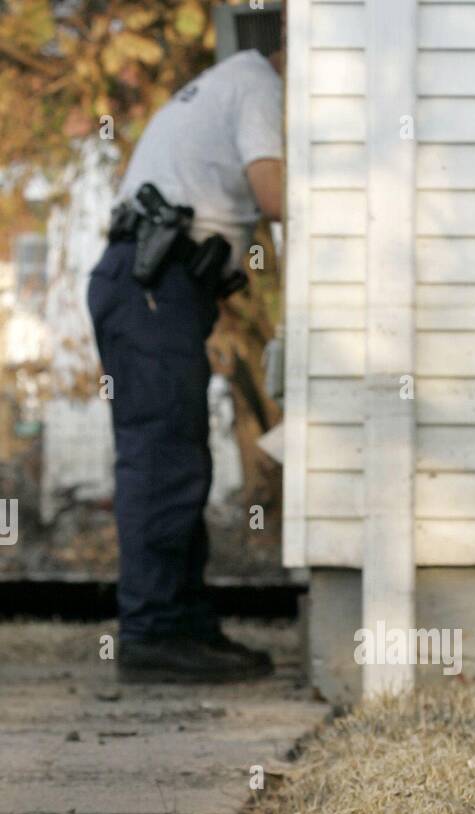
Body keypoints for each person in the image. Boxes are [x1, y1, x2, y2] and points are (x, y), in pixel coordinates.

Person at [88, 30, 284, 683]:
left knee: (179, 451)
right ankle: (151, 633)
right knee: (160, 454)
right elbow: (275, 194)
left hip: (162, 282)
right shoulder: (260, 83)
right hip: (153, 283)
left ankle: (185, 624)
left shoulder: (230, 81)